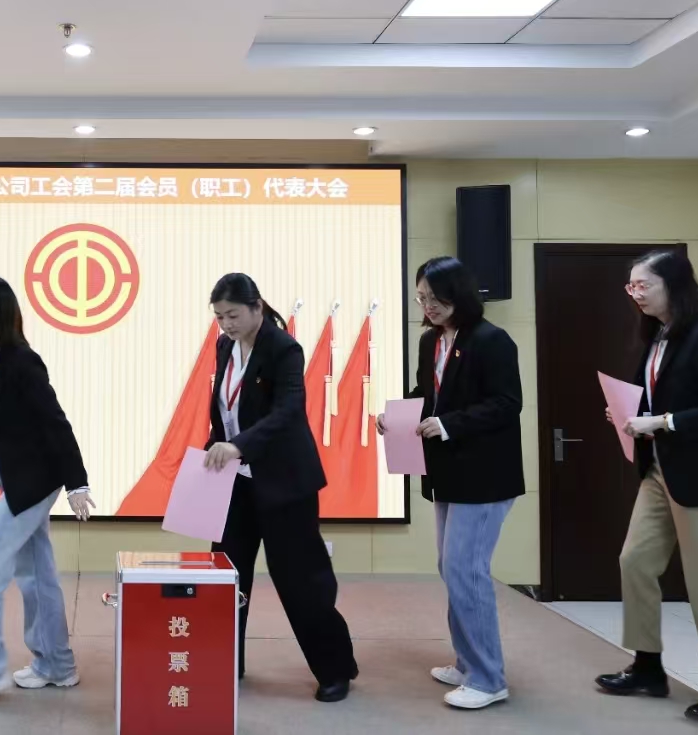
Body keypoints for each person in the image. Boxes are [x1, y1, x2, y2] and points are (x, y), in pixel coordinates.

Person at [594, 250, 698, 723]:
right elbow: (656, 399)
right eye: (630, 286)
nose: (634, 294)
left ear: (673, 285)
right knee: (634, 561)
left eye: (643, 285)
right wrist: (629, 413)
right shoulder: (657, 335)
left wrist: (662, 422)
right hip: (658, 471)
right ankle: (648, 667)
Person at [202, 272, 358, 702]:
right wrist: (217, 445)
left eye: (233, 315)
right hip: (236, 482)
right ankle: (226, 661)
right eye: (219, 317)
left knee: (300, 579)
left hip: (284, 482)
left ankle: (335, 667)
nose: (226, 324)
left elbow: (288, 411)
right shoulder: (225, 346)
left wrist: (239, 445)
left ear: (256, 307)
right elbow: (227, 408)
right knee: (226, 574)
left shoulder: (283, 348)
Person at [378, 256, 523, 710]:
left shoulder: (492, 340)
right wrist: (398, 416)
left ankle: (488, 678)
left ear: (459, 294)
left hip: (485, 475)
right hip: (449, 474)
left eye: (435, 297)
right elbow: (428, 396)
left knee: (466, 569)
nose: (428, 305)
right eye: (421, 297)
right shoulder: (431, 341)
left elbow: (507, 403)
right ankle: (467, 662)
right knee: (451, 566)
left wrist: (448, 424)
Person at [0, 276, 95, 706]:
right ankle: (56, 664)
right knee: (36, 574)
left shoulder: (23, 363)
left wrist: (77, 483)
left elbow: (55, 423)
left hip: (34, 482)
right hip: (13, 479)